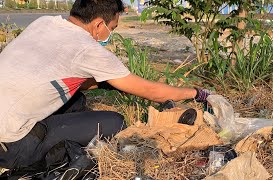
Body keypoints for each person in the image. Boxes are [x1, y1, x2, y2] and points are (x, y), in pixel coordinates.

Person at [0, 0, 212, 178]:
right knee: (114, 123)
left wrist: (107, 83)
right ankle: (57, 158)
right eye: (113, 28)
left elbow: (62, 78)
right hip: (14, 147)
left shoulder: (44, 23)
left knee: (77, 100)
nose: (110, 33)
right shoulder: (86, 48)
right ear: (99, 24)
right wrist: (196, 93)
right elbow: (152, 91)